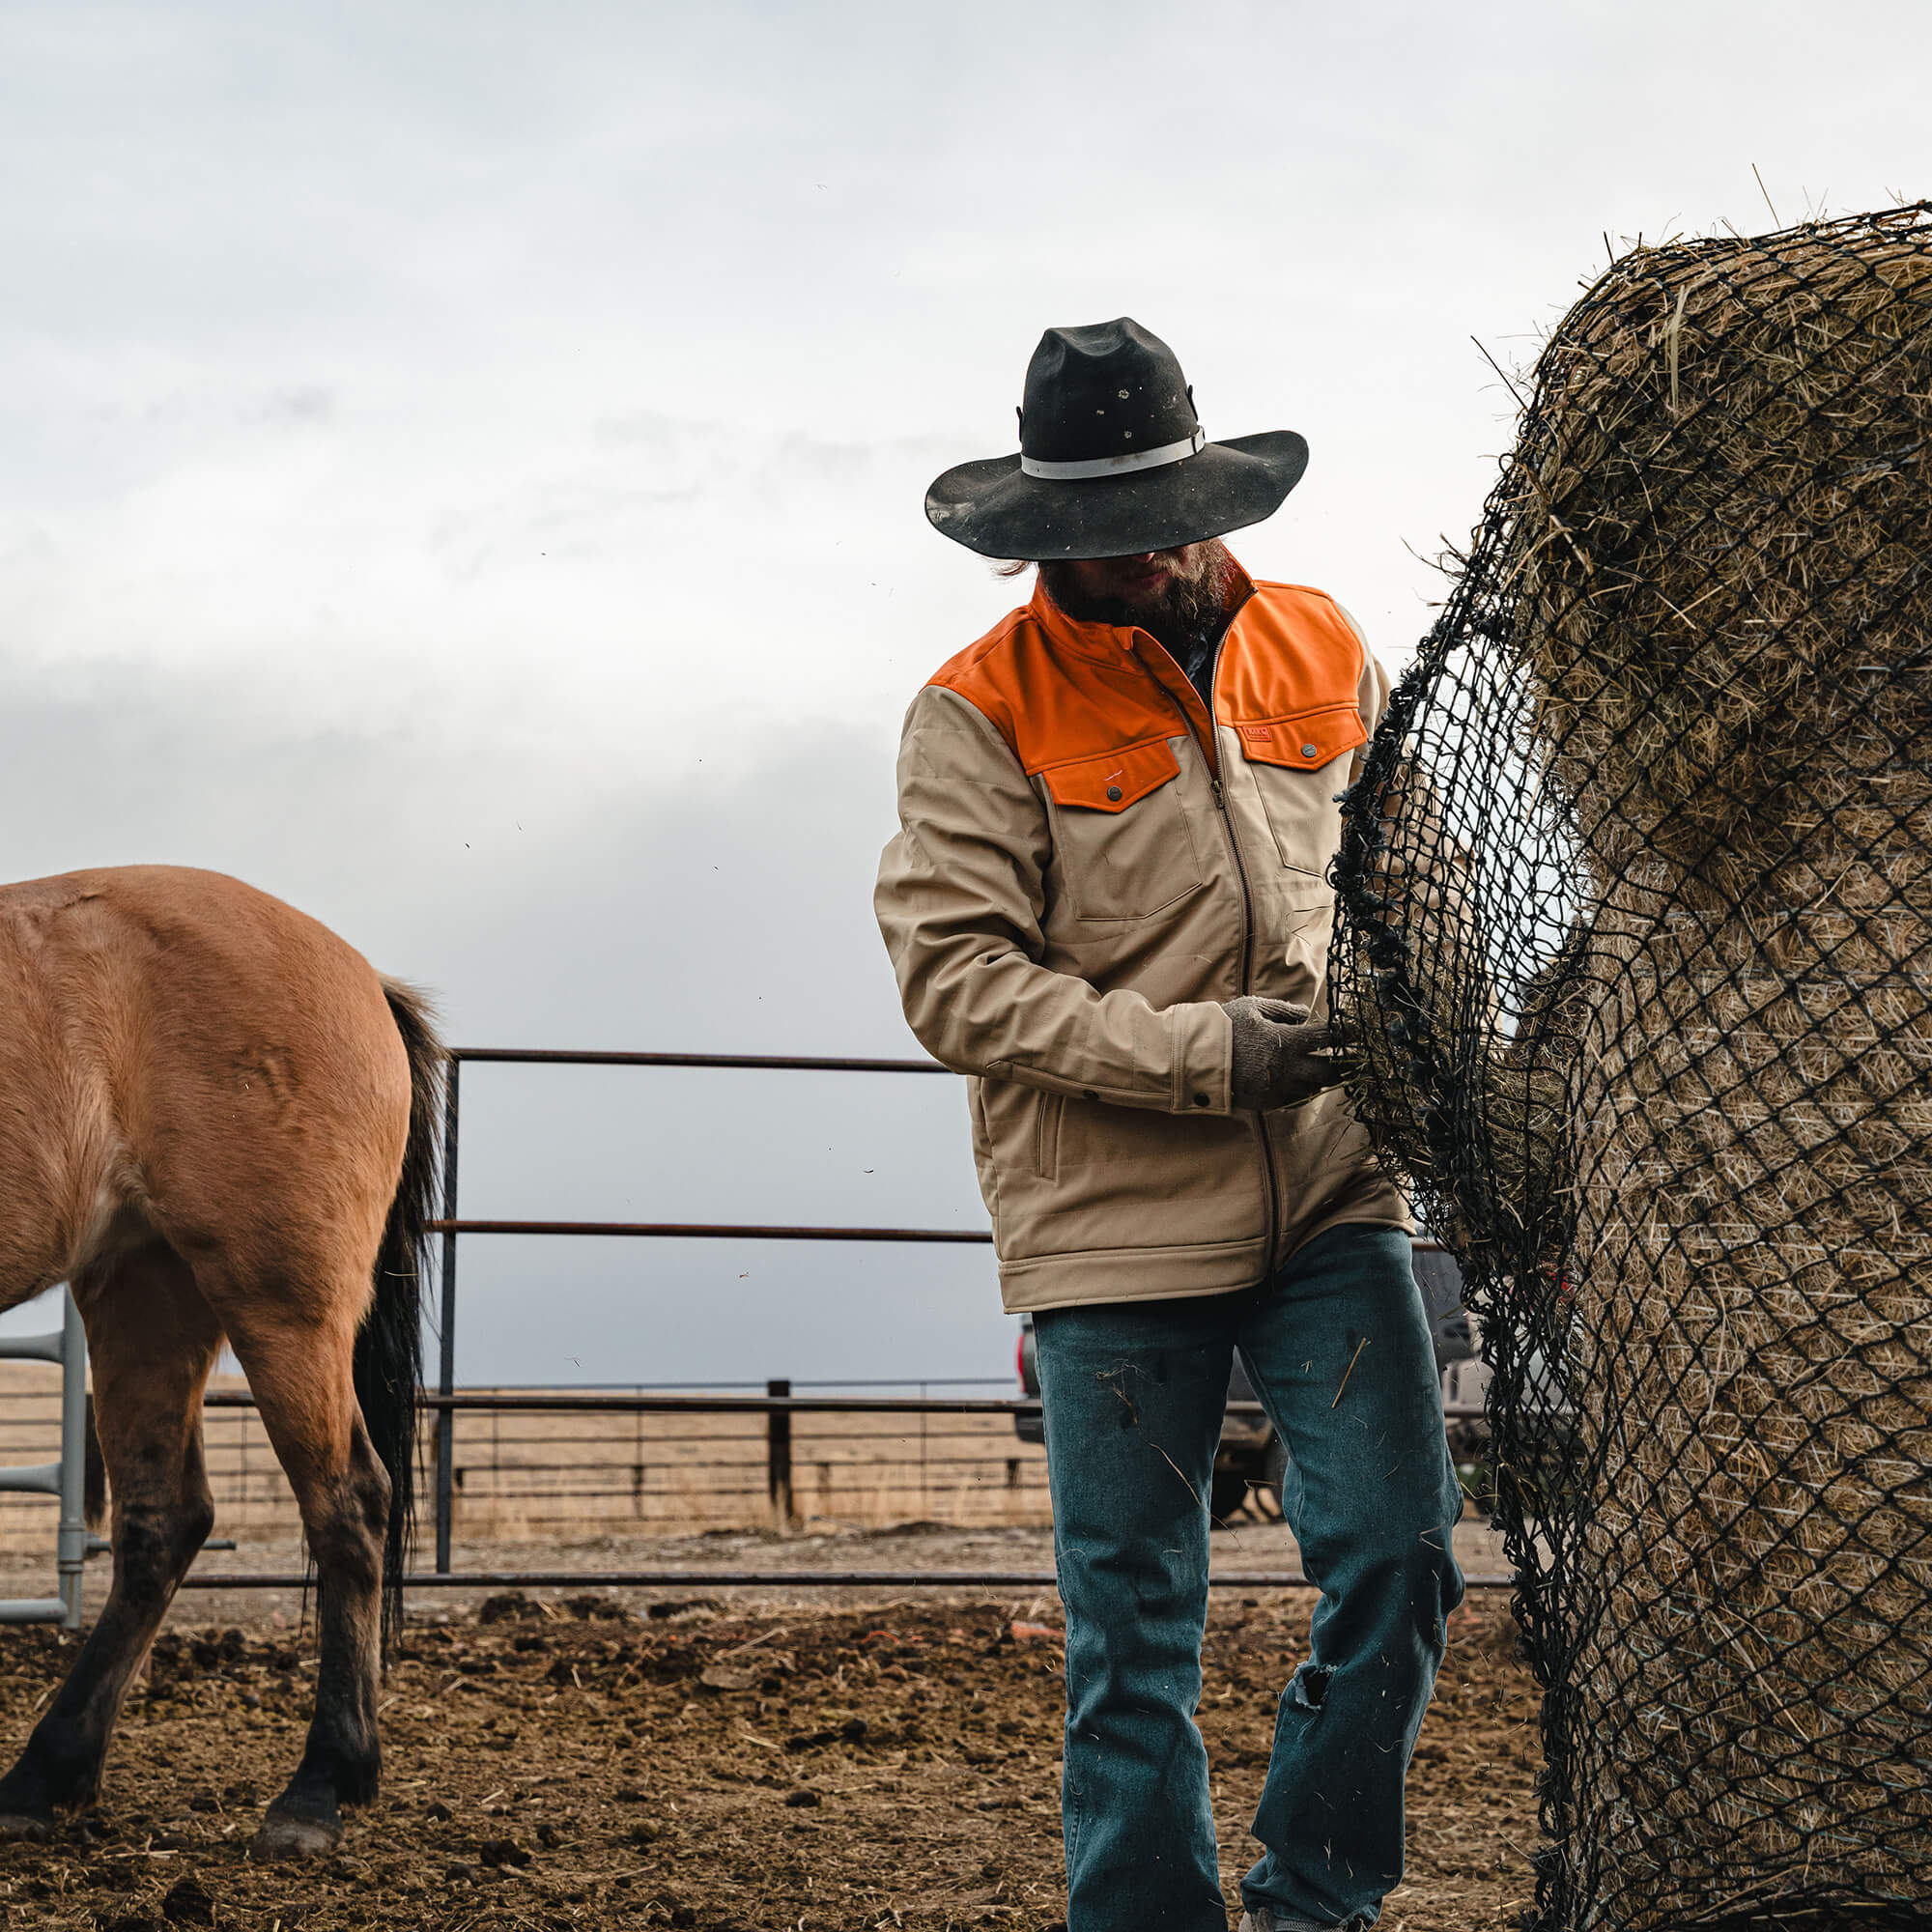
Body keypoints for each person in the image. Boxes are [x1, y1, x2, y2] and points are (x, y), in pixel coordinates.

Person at [874, 319, 1463, 1932]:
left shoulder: (1325, 642)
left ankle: (1317, 1899)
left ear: (1206, 490)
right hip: (1115, 1229)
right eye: (1100, 527)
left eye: (1161, 508)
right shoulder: (977, 711)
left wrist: (1441, 1048)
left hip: (1340, 1193)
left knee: (1404, 1560)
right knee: (1133, 1624)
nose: (1141, 549)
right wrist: (1208, 1056)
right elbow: (958, 983)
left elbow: (1411, 873)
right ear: (1043, 532)